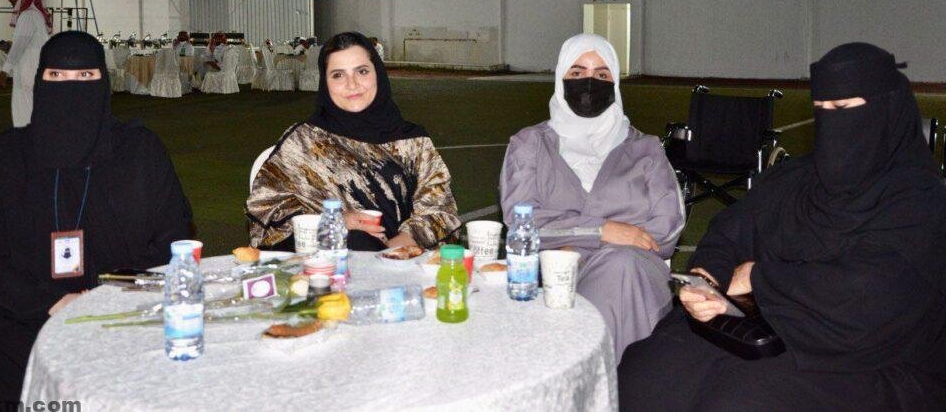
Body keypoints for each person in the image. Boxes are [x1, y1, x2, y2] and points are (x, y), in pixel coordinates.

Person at [618, 43, 946, 411]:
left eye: (841, 109)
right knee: (646, 373)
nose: (831, 124)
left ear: (887, 111)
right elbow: (731, 232)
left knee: (740, 400)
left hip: (867, 355)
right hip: (758, 325)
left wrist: (759, 278)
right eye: (821, 109)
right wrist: (707, 280)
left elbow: (871, 296)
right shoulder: (795, 179)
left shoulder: (922, 202)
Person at [0, 31, 194, 408]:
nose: (71, 86)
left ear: (104, 82)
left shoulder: (139, 152)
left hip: (119, 313)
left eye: (85, 76)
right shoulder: (4, 158)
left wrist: (106, 295)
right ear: (40, 81)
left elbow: (172, 239)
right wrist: (49, 302)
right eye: (57, 76)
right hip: (22, 320)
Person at [499, 34, 684, 358]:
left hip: (636, 271)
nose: (589, 82)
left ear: (615, 83)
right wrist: (601, 231)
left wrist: (580, 242)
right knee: (617, 265)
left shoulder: (646, 149)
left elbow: (667, 228)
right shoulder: (529, 144)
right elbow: (521, 220)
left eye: (601, 74)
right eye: (577, 72)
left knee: (621, 266)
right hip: (554, 270)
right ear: (561, 78)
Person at [247, 31, 460, 251]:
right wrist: (335, 222)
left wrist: (401, 243)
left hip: (403, 262)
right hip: (326, 262)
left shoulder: (413, 140)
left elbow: (439, 210)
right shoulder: (303, 141)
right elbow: (266, 210)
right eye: (338, 75)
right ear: (325, 82)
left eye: (362, 71)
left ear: (378, 73)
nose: (352, 84)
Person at [0, 0, 52, 127]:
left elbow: (20, 46)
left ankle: (26, 134)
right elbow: (25, 44)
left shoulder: (28, 16)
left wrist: (4, 70)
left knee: (25, 108)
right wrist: (11, 47)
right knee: (33, 106)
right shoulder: (35, 15)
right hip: (33, 67)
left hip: (28, 69)